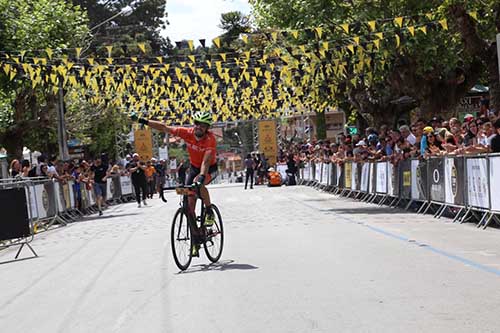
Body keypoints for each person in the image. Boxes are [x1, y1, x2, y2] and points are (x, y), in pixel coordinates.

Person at [132, 111, 218, 257]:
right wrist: (143, 121)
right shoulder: (187, 133)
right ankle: (195, 239)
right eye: (197, 124)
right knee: (188, 202)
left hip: (210, 167)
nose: (199, 127)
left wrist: (203, 176)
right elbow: (164, 127)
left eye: (203, 126)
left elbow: (206, 161)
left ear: (207, 128)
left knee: (198, 183)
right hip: (194, 167)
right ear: (194, 124)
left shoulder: (210, 139)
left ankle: (209, 210)